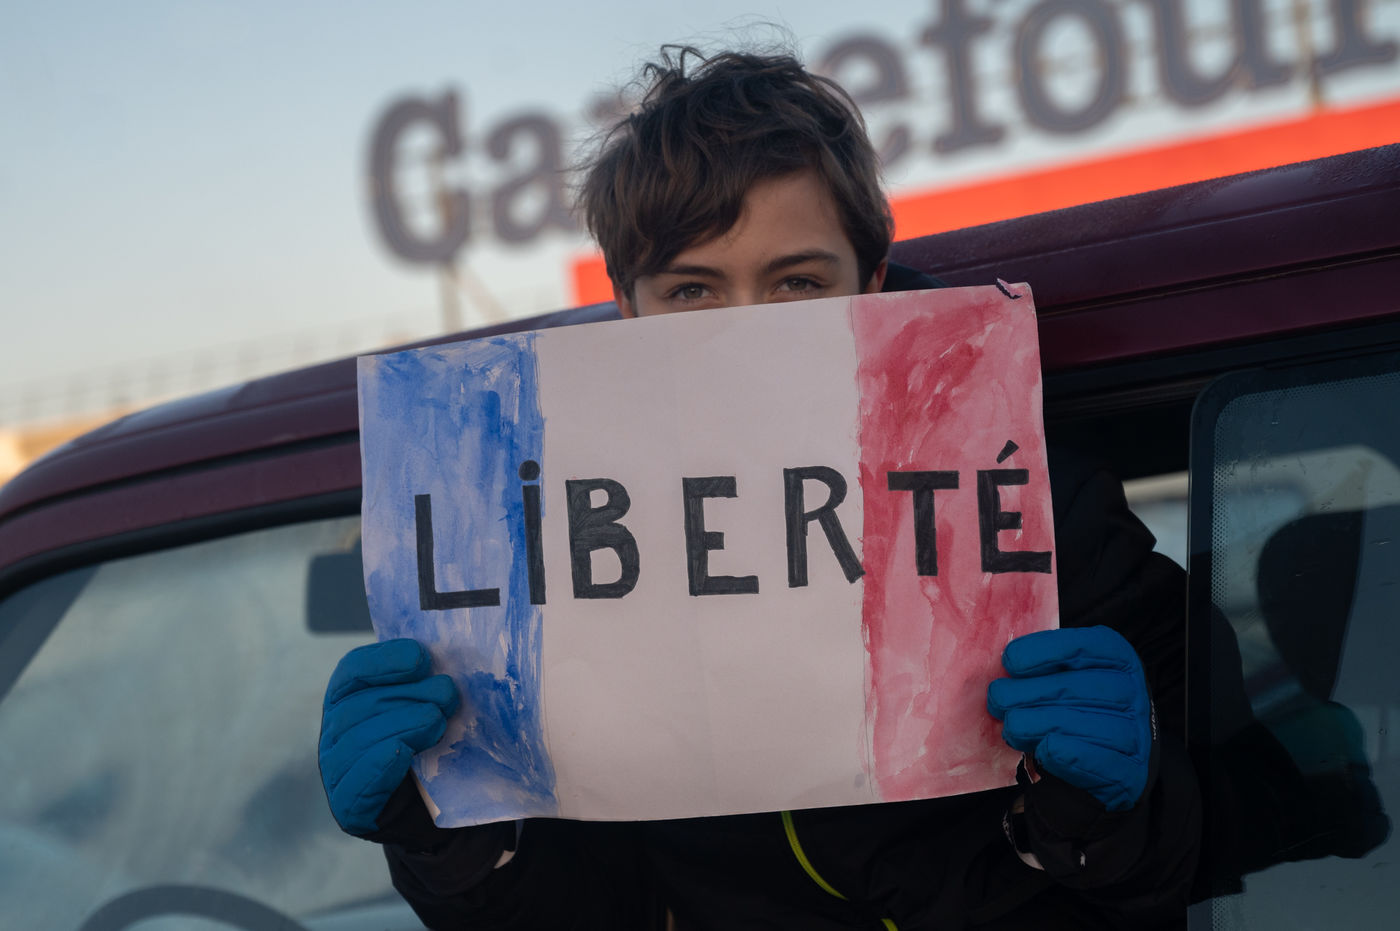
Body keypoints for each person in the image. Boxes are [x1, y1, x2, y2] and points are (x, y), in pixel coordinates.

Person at [318, 46, 1200, 929]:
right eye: (692, 291)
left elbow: (1236, 834)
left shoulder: (1024, 496)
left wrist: (1110, 814)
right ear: (628, 309)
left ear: (872, 284)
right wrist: (447, 840)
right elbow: (591, 912)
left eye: (798, 283)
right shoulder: (539, 557)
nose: (746, 337)